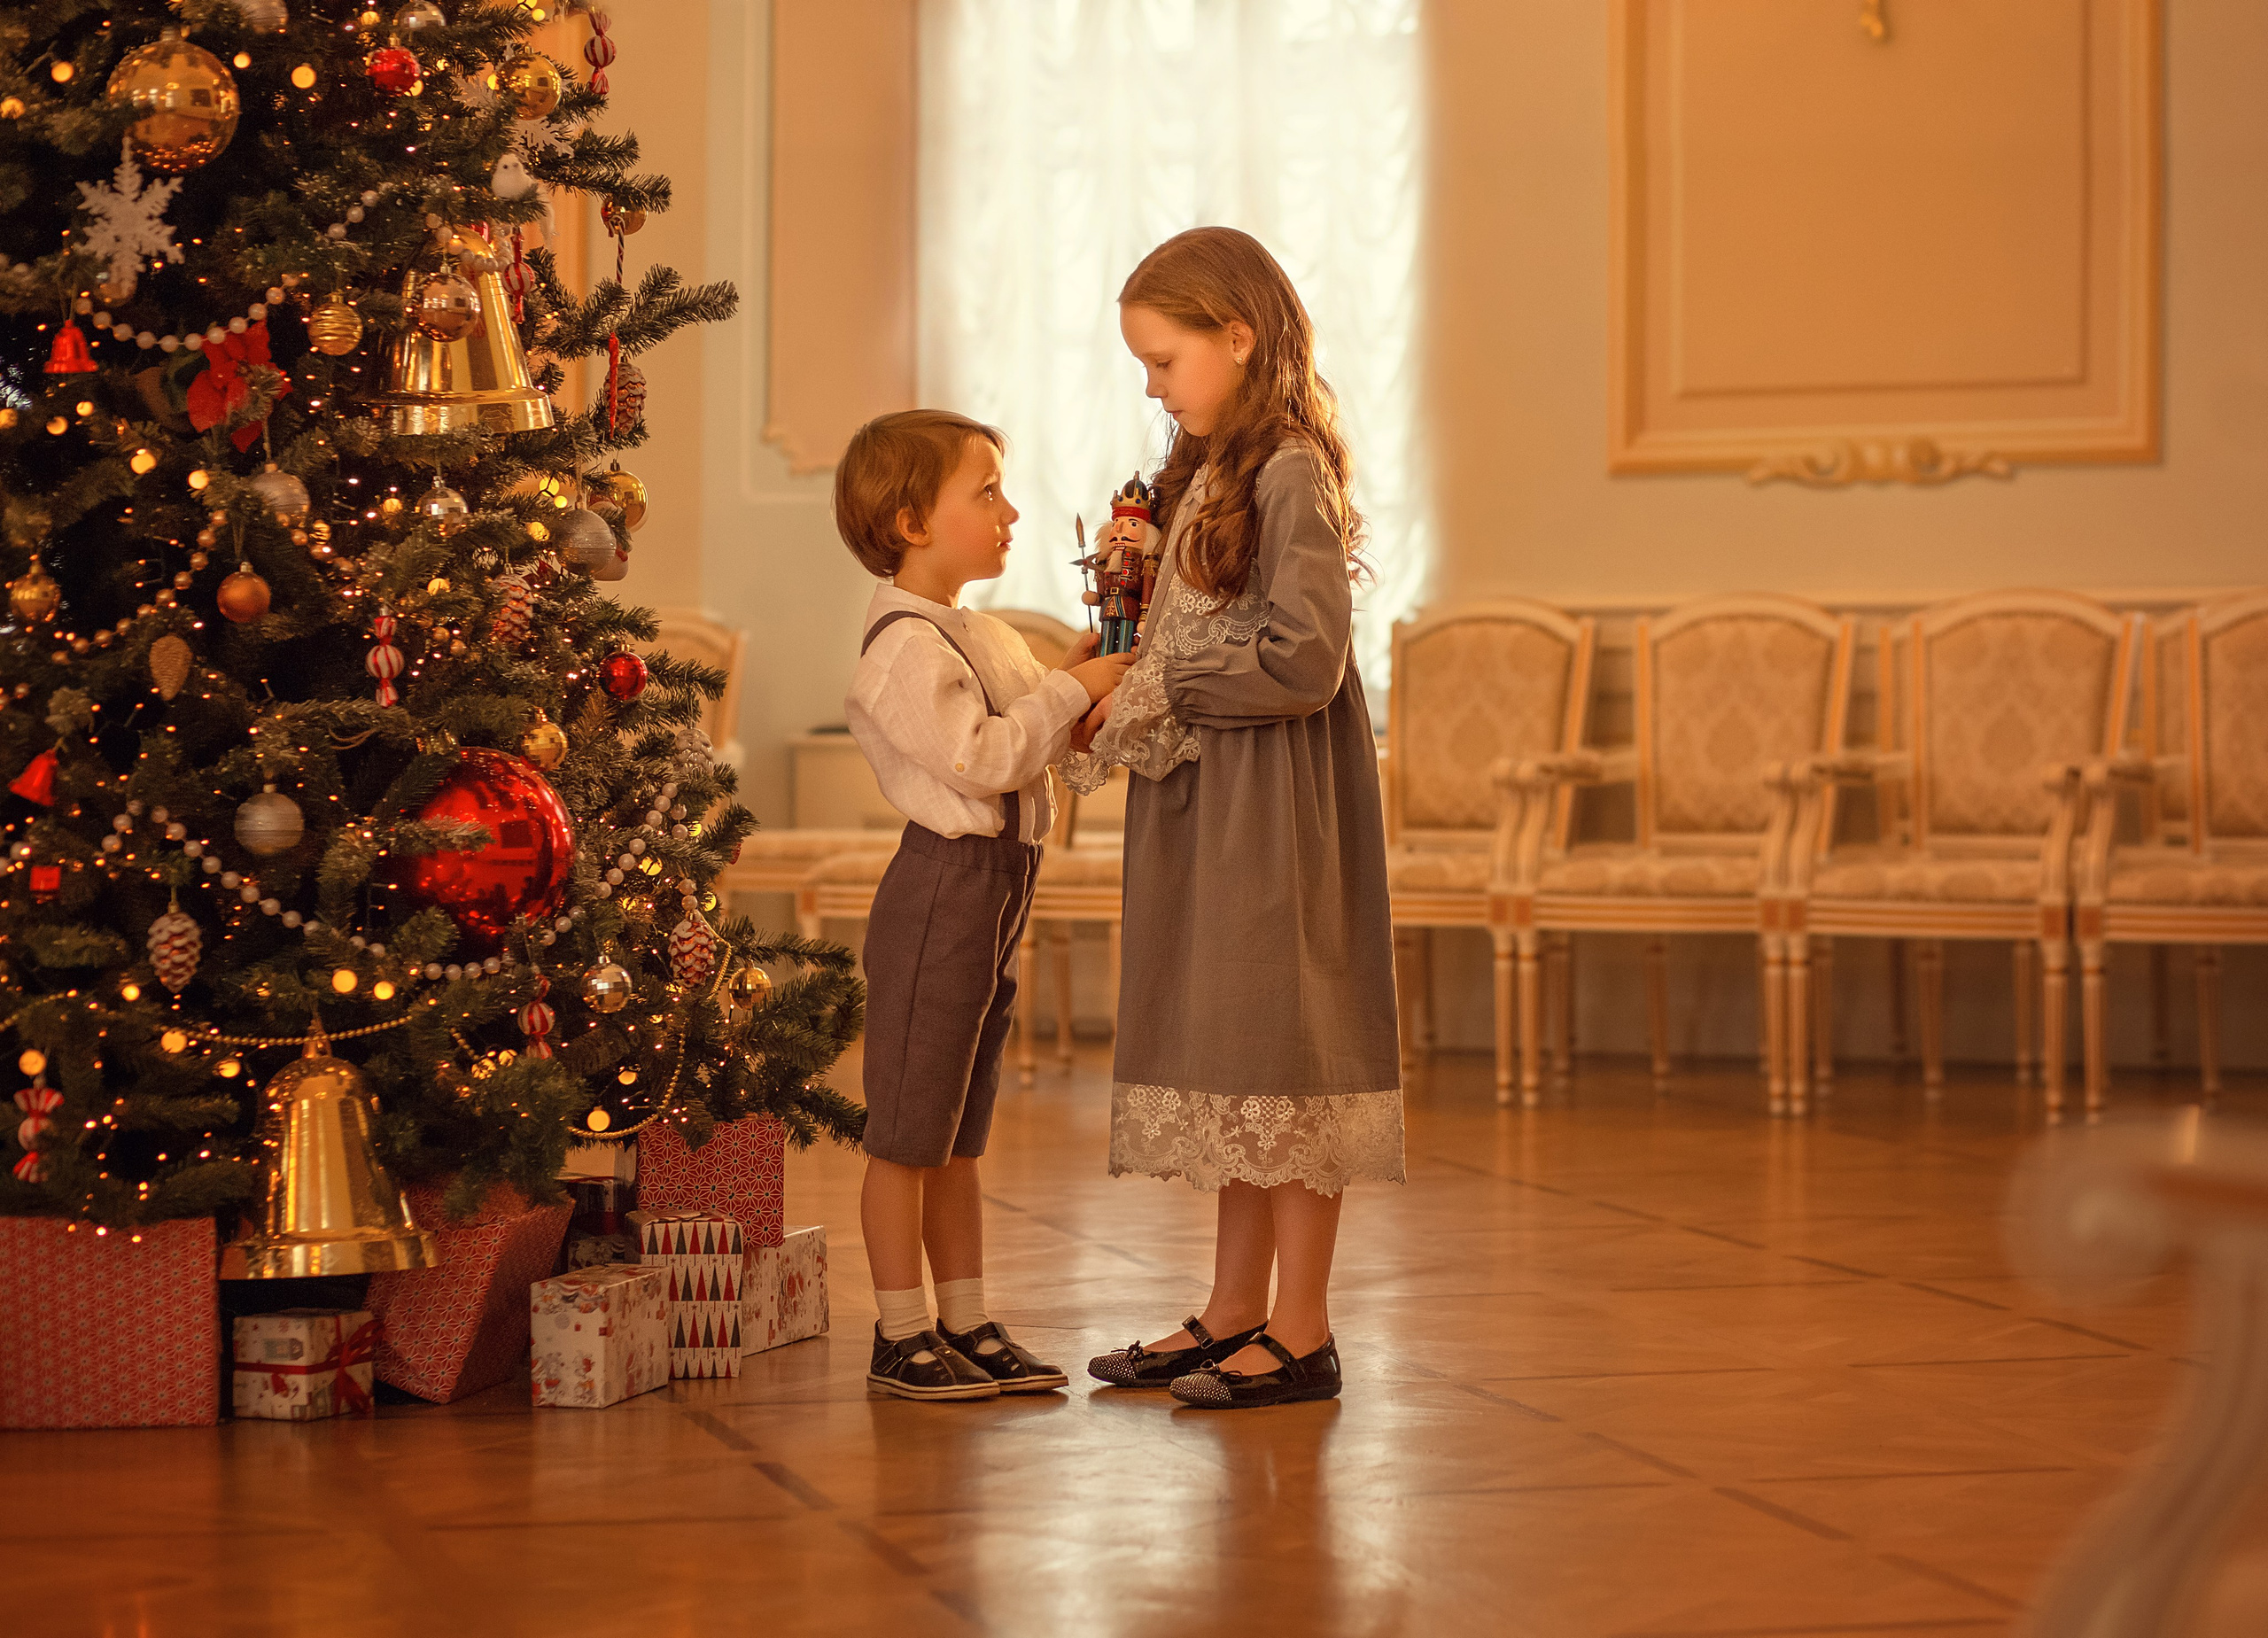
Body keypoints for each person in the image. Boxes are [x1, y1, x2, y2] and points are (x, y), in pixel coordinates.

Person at [1068, 227, 1403, 1409]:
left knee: (1287, 1053)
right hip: (1211, 796)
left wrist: (1159, 677)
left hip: (1276, 804)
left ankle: (1301, 1328)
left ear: (1237, 336)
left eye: (1164, 360)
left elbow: (1305, 655)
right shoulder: (1204, 470)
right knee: (1235, 1053)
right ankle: (1229, 1307)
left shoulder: (1290, 470)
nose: (1151, 385)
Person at [836, 409, 1134, 1400]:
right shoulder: (901, 649)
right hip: (941, 890)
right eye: (987, 492)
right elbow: (987, 755)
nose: (1011, 512)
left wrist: (1097, 678)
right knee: (907, 1131)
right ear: (912, 520)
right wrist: (1067, 691)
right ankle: (899, 1330)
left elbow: (1049, 740)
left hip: (1001, 890)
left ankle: (962, 1318)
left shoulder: (983, 632)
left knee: (959, 1132)